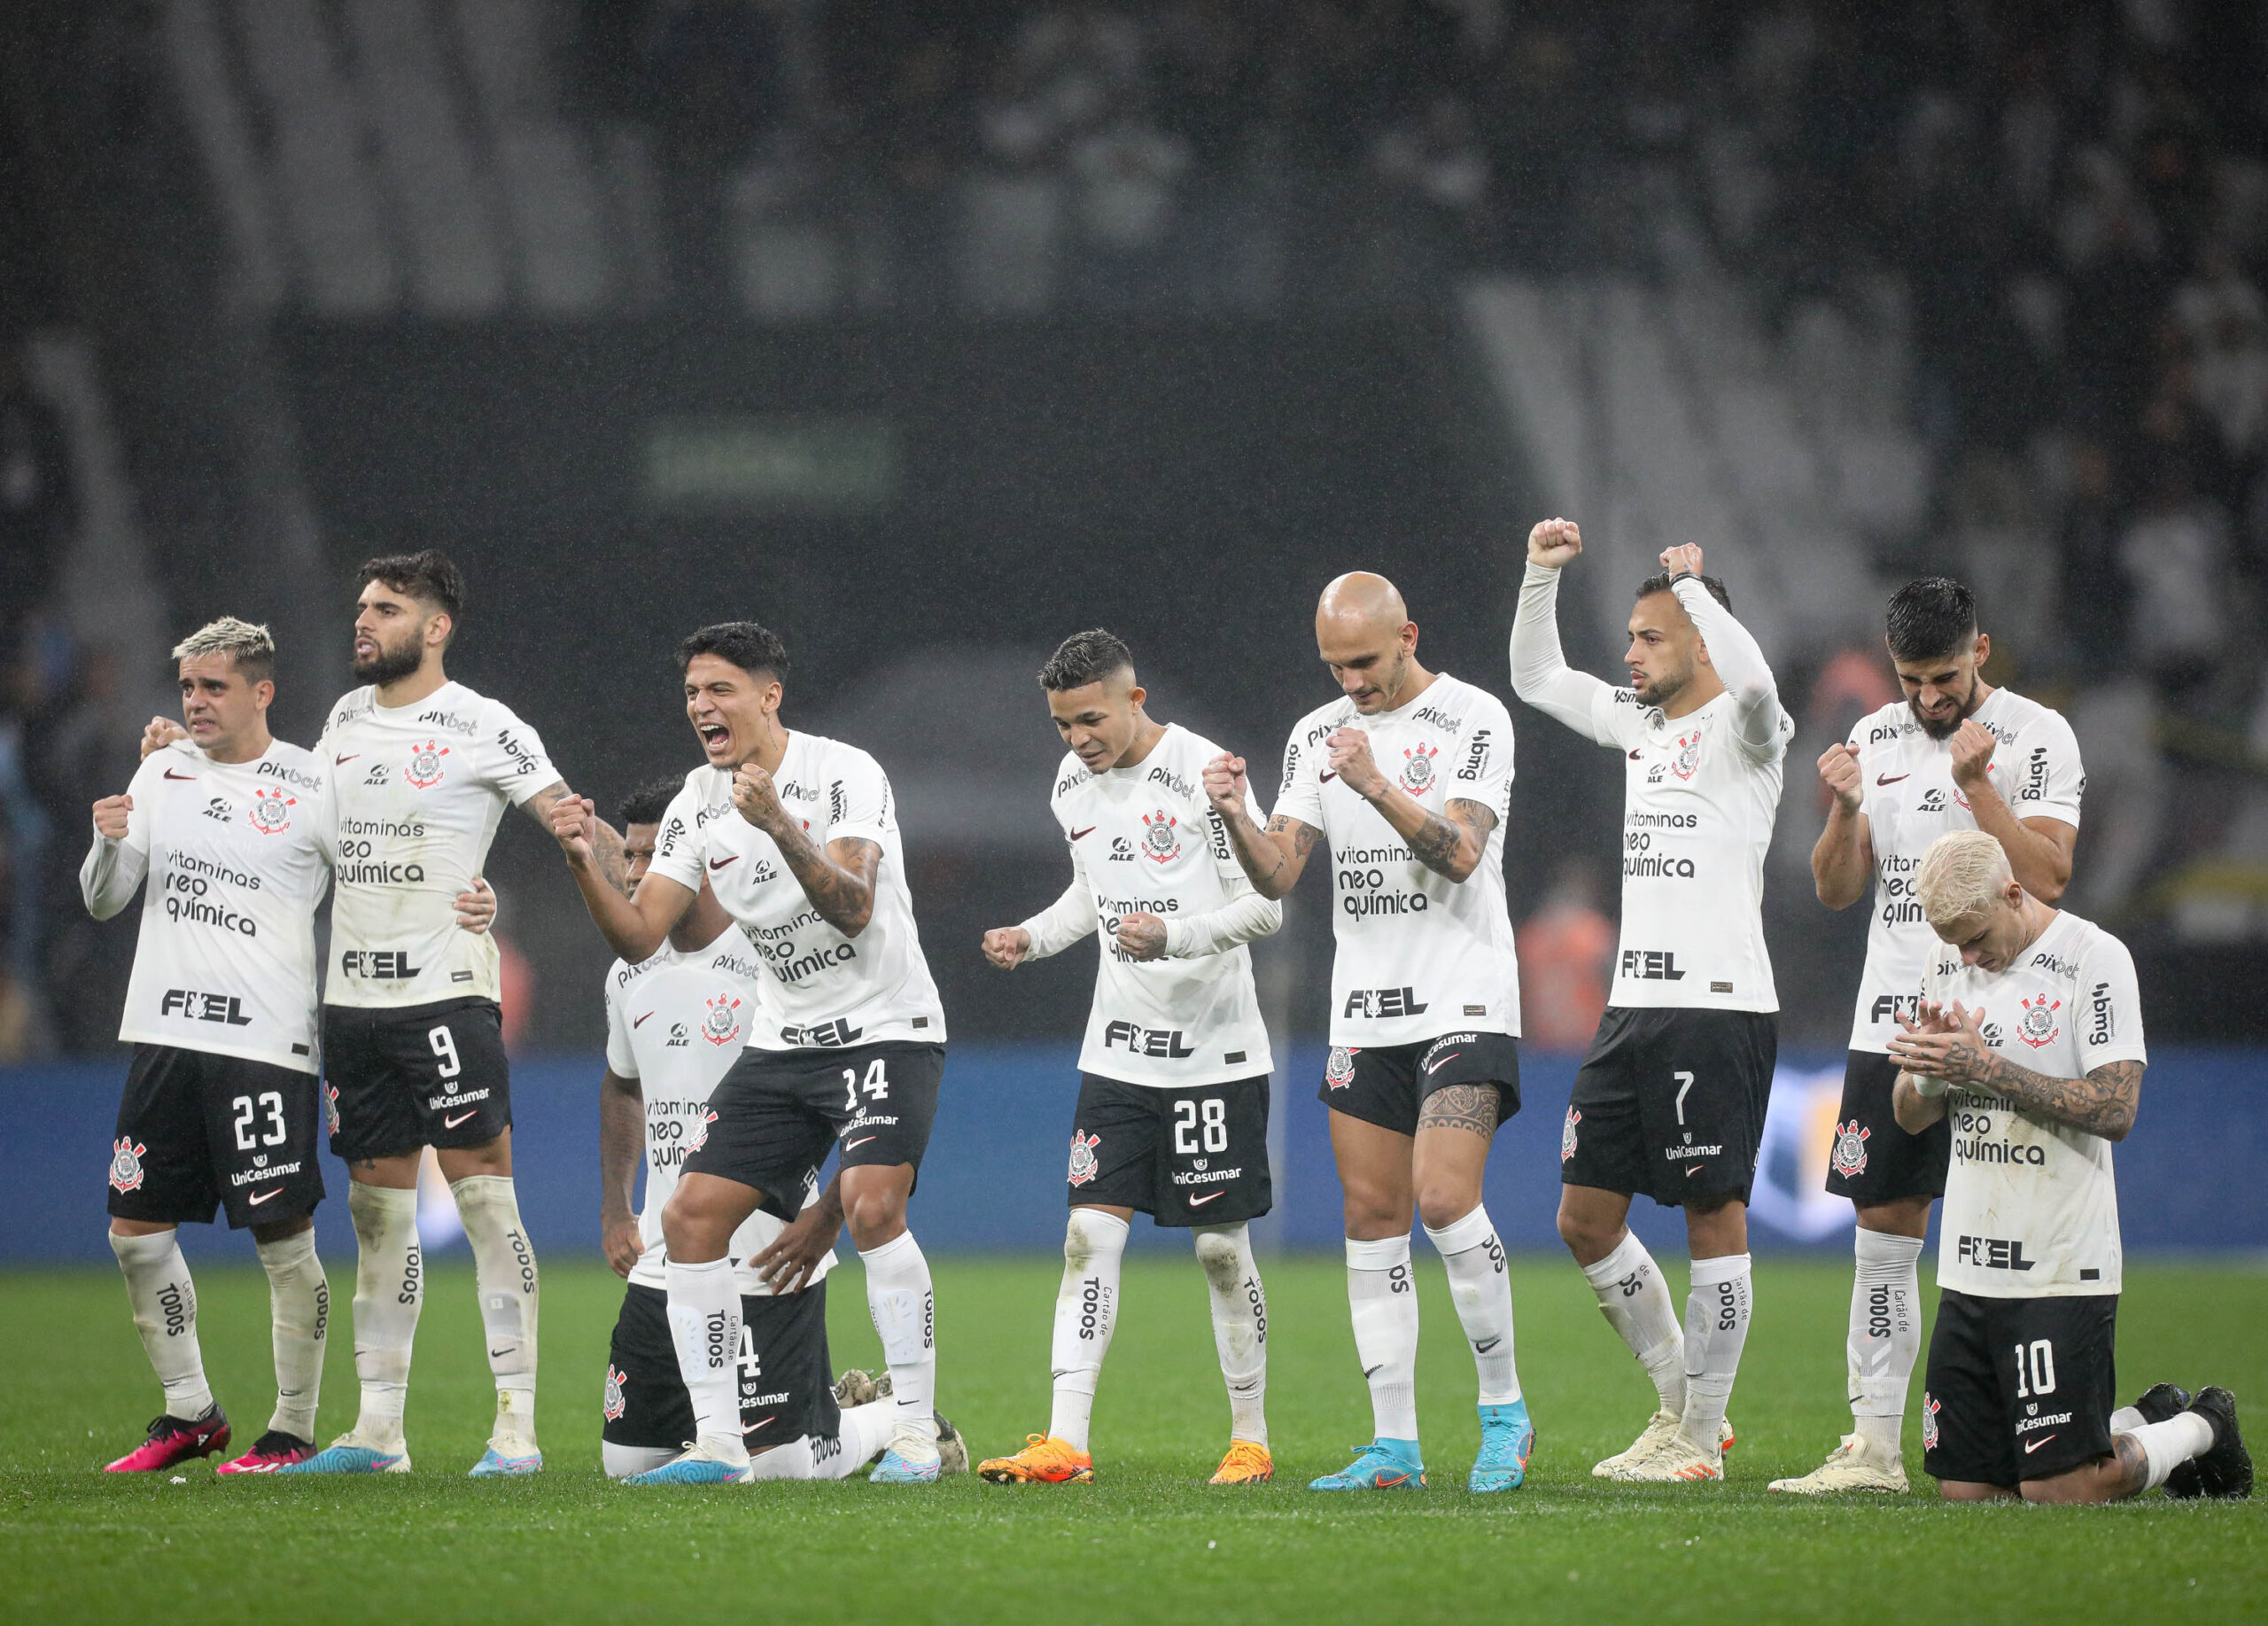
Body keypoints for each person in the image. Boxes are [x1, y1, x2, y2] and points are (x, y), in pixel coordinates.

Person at [83, 618, 492, 1474]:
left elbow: (385, 873)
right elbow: (105, 900)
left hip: (266, 1039)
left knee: (283, 1239)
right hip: (163, 1032)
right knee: (133, 1229)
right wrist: (108, 840)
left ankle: (293, 1427)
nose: (195, 702)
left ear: (261, 691)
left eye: (214, 687)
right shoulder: (159, 771)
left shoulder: (312, 781)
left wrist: (466, 905)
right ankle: (190, 1410)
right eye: (187, 687)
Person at [551, 621, 951, 1485]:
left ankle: (918, 1432)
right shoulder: (697, 800)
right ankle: (720, 1446)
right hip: (786, 1036)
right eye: (692, 691)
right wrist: (585, 860)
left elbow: (851, 906)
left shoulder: (844, 773)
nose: (702, 705)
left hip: (886, 1020)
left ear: (769, 696)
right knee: (690, 1217)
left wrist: (777, 824)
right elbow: (639, 934)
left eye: (719, 688)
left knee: (876, 1204)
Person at [1205, 572, 1533, 1495]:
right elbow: (1276, 873)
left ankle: (1506, 1412)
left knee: (1440, 1197)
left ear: (1407, 636)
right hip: (1366, 1004)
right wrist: (1233, 814)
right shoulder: (1313, 735)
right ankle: (1394, 1443)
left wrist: (1376, 781)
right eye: (1333, 664)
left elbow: (1461, 851)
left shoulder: (1474, 718)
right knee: (1371, 1214)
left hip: (1463, 997)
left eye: (1364, 660)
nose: (1349, 680)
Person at [290, 551, 605, 1477]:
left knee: (483, 1202)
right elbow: (299, 825)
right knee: (377, 1213)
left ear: (435, 628)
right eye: (361, 606)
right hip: (353, 1000)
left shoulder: (481, 723)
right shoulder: (343, 718)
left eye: (385, 608)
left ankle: (516, 1428)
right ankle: (378, 1430)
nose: (364, 620)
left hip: (444, 997)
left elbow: (567, 820)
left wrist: (507, 902)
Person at [1773, 578, 2085, 1495]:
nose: (1927, 698)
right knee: (1881, 1227)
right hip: (1894, 1016)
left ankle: (2046, 1436)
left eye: (1943, 676)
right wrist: (1838, 811)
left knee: (2010, 1233)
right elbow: (1836, 891)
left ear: (1980, 649)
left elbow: (2050, 877)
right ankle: (1871, 1447)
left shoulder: (2037, 736)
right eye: (1910, 678)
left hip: (2012, 1016)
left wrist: (1978, 786)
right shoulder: (1873, 737)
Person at [1509, 520, 1790, 1483]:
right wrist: (1540, 574)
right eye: (1629, 635)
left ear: (1701, 639)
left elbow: (1753, 683)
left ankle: (1701, 1435)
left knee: (1712, 1210)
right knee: (1583, 1217)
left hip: (1716, 1006)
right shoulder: (1638, 724)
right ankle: (1681, 1407)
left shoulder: (1752, 735)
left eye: (1649, 636)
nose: (1627, 652)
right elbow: (1537, 677)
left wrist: (1698, 589)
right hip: (1631, 1008)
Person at [975, 631, 1282, 1488]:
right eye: (1064, 723)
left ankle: (1249, 1439)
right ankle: (1065, 1440)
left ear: (1135, 697)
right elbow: (1092, 894)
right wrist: (1032, 938)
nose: (1077, 738)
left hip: (1216, 1053)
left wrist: (1173, 936)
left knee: (1220, 1251)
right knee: (1085, 1236)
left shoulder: (1207, 770)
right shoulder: (1072, 782)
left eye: (1091, 718)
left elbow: (1266, 911)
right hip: (1117, 1051)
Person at [1886, 830, 2249, 1504]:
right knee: (1969, 1493)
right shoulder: (1946, 962)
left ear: (2014, 893)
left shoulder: (2093, 959)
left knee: (2060, 1490)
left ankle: (2201, 1424)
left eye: (1975, 936)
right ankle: (2142, 1415)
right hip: (1969, 1267)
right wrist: (1930, 1076)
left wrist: (1983, 1067)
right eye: (1953, 943)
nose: (1966, 956)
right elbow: (1908, 1115)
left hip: (2059, 1266)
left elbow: (2116, 1108)